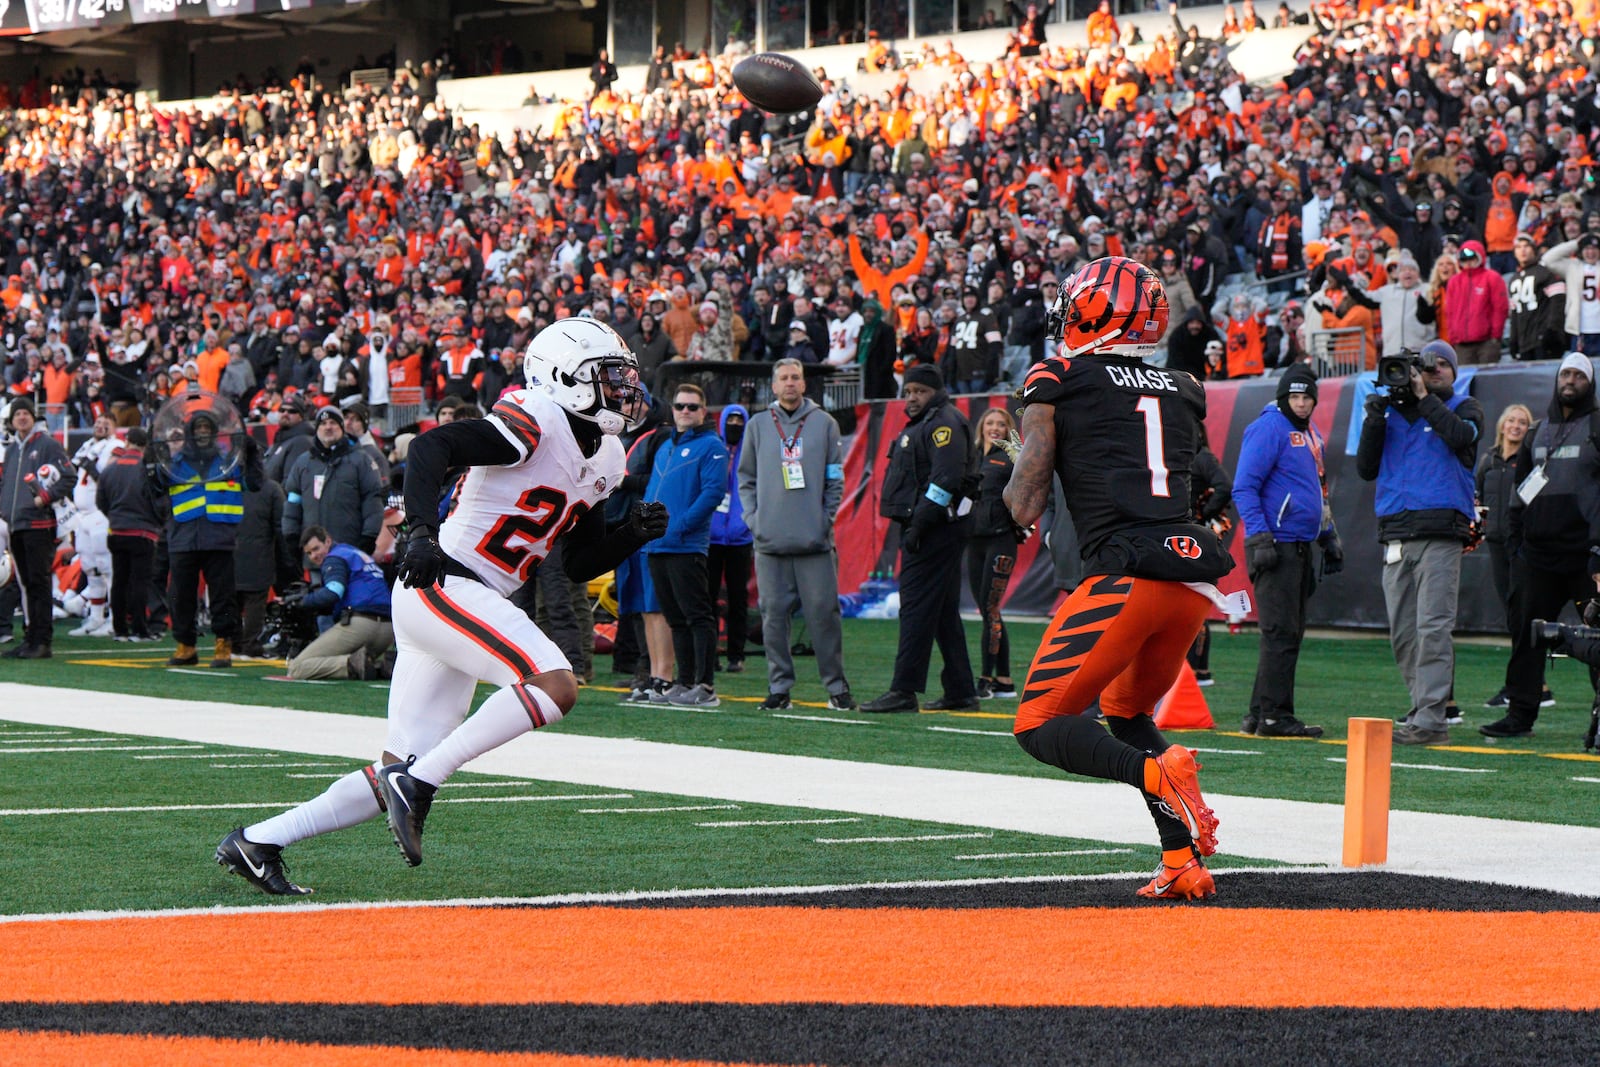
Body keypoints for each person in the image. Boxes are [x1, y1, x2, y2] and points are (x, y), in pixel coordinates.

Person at [216, 319, 664, 895]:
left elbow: (577, 563)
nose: (622, 388)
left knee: (395, 769)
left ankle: (258, 841)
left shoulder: (606, 456)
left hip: (462, 601)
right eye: (607, 376)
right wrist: (422, 533)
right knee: (555, 684)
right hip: (445, 581)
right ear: (563, 377)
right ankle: (424, 783)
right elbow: (433, 446)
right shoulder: (536, 420)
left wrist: (630, 534)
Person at [1003, 255, 1229, 901]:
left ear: (1091, 310)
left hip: (1122, 576)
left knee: (1039, 723)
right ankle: (1182, 858)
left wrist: (1000, 486)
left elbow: (1025, 501)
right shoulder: (1183, 385)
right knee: (1126, 712)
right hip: (1188, 584)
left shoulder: (1057, 375)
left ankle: (1159, 774)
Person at [1356, 340, 1483, 745]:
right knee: (1404, 634)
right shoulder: (1391, 412)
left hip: (1440, 533)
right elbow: (1365, 468)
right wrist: (1374, 418)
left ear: (1454, 372)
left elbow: (1461, 437)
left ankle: (1430, 719)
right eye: (1430, 365)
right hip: (1396, 532)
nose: (1436, 370)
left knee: (1433, 628)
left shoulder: (1465, 407)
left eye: (1444, 364)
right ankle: (1423, 709)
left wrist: (1424, 398)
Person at [1482, 353, 1600, 739]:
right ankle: (1519, 717)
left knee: (1598, 640)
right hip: (1538, 557)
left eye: (1578, 375)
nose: (1570, 380)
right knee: (1527, 636)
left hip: (1587, 558)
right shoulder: (1536, 431)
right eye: (1565, 373)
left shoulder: (1597, 425)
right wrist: (1517, 542)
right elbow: (1521, 490)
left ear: (1590, 383)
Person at [860, 363, 978, 713]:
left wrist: (919, 526)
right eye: (908, 391)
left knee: (914, 609)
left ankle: (904, 690)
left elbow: (946, 480)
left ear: (936, 391)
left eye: (920, 392)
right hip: (930, 526)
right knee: (942, 612)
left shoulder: (943, 423)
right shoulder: (931, 421)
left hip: (933, 529)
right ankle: (960, 689)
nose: (911, 398)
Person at [738, 358, 854, 711]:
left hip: (814, 543)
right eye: (783, 378)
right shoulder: (758, 425)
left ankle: (836, 687)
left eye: (796, 377)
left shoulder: (825, 424)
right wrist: (754, 520)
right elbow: (746, 479)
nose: (790, 383)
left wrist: (824, 520)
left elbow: (835, 479)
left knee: (824, 616)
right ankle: (779, 688)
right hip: (769, 542)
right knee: (772, 618)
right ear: (773, 386)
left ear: (804, 385)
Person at [1232, 365, 1341, 737]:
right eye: (1294, 396)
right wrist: (1260, 537)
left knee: (1286, 633)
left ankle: (1258, 714)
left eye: (1307, 397)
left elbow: (1319, 490)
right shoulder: (1268, 428)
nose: (1301, 403)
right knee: (1280, 632)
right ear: (1283, 398)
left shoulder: (1310, 434)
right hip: (1276, 544)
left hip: (1299, 545)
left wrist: (1328, 534)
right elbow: (1244, 487)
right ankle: (1276, 716)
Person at [149, 402, 263, 669]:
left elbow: (255, 483)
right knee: (180, 595)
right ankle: (185, 645)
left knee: (223, 596)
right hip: (182, 538)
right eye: (198, 428)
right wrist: (151, 456)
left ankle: (224, 645)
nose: (202, 432)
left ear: (214, 433)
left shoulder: (229, 462)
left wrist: (252, 453)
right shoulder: (173, 464)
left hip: (219, 537)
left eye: (206, 428)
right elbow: (152, 490)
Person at [641, 382, 730, 707]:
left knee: (697, 616)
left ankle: (705, 686)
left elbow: (712, 494)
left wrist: (679, 528)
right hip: (657, 545)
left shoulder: (712, 446)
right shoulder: (666, 446)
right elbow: (653, 490)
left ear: (704, 411)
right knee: (676, 618)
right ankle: (686, 680)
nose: (685, 412)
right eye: (680, 406)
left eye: (692, 407)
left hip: (685, 545)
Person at [1477, 405, 1546, 717]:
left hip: (1522, 548)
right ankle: (1530, 684)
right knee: (1510, 612)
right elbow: (1477, 497)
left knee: (1522, 613)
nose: (1516, 427)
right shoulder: (1487, 461)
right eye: (1512, 421)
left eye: (1523, 422)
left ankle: (1530, 686)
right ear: (1502, 425)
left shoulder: (1530, 461)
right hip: (1495, 544)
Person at [0, 398, 71, 658]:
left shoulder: (47, 445)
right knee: (27, 584)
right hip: (16, 524)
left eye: (25, 413)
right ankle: (31, 638)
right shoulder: (12, 450)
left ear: (33, 417)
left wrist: (46, 497)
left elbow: (68, 476)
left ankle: (42, 641)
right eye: (17, 413)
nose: (21, 417)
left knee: (38, 583)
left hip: (38, 524)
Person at [284, 526, 395, 680]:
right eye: (309, 553)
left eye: (316, 548)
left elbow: (333, 592)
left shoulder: (334, 558)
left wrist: (302, 601)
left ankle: (353, 664)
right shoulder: (354, 553)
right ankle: (381, 667)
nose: (314, 555)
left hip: (361, 625)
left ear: (328, 541)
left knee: (297, 668)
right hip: (388, 630)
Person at [968, 407, 1023, 699]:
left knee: (989, 610)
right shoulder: (973, 455)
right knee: (989, 611)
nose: (994, 428)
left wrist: (1023, 461)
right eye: (989, 422)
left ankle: (985, 679)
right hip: (973, 541)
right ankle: (1004, 681)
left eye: (1001, 424)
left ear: (1008, 428)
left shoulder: (1012, 458)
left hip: (1000, 540)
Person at [282, 406, 385, 555]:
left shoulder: (361, 460)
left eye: (333, 423)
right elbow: (292, 502)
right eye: (323, 423)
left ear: (342, 427)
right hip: (314, 555)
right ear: (317, 429)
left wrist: (369, 536)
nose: (328, 427)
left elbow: (373, 500)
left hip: (350, 552)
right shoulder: (303, 463)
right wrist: (291, 535)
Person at [96, 427, 161, 641]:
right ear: (144, 446)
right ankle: (140, 629)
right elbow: (157, 501)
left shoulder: (110, 469)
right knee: (140, 582)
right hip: (142, 532)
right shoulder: (147, 469)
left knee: (119, 581)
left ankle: (119, 628)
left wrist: (115, 517)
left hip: (117, 530)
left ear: (127, 442)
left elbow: (101, 501)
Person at [708, 403, 752, 674]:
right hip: (712, 537)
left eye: (740, 419)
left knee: (739, 598)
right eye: (731, 419)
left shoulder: (752, 453)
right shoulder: (714, 450)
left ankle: (737, 654)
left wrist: (749, 522)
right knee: (708, 597)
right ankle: (710, 653)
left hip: (740, 537)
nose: (735, 423)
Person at [1442, 240, 1508, 365]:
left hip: (1487, 342)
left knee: (1487, 380)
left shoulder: (1492, 278)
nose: (1468, 262)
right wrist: (1453, 338)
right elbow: (1449, 312)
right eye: (1464, 258)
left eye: (1472, 258)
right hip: (1461, 344)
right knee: (1464, 380)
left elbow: (1500, 309)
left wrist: (1495, 337)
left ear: (1480, 257)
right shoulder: (1454, 281)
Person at [1506, 233, 1567, 362]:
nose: (1522, 250)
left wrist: (1552, 331)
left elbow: (1558, 302)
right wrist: (1514, 340)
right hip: (1524, 342)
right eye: (1518, 247)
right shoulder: (1514, 279)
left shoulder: (1545, 273)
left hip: (1543, 340)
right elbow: (1515, 313)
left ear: (1533, 249)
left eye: (1526, 246)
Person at [1542, 233, 1600, 358]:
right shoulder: (1572, 266)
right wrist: (1575, 243)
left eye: (1594, 248)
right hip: (1579, 329)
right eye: (1587, 248)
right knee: (1579, 369)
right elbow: (1548, 259)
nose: (1591, 252)